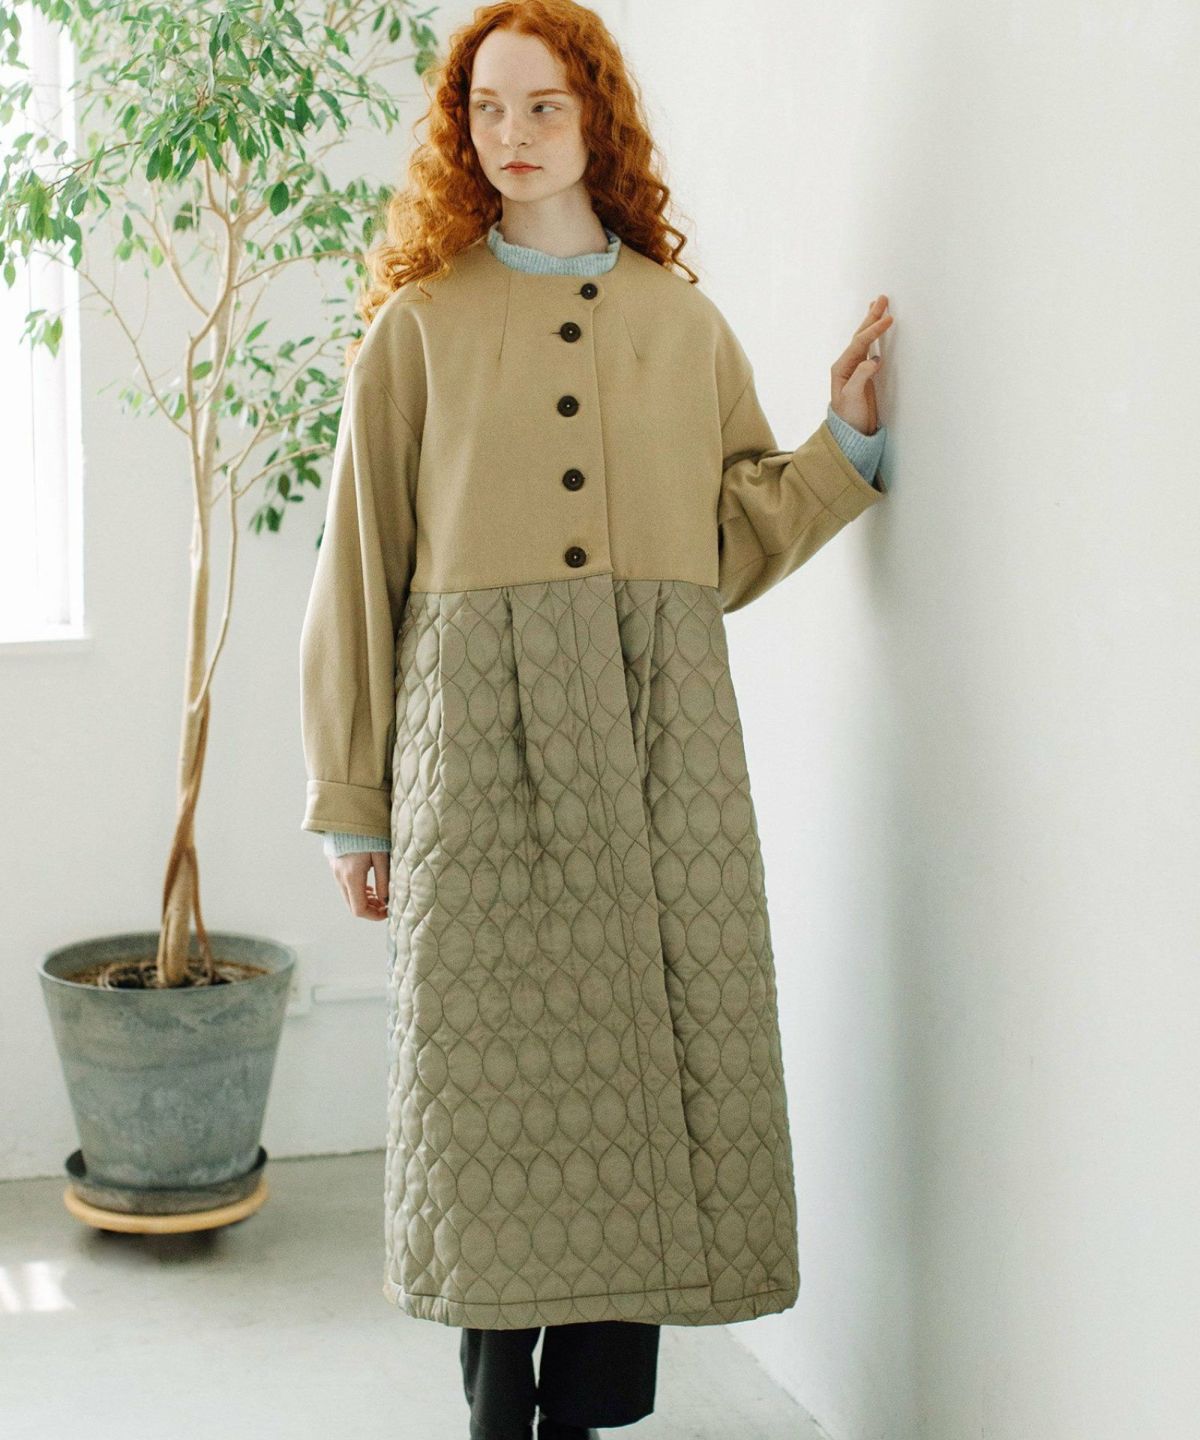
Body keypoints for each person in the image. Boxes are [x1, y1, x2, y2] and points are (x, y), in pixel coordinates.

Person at [298, 3, 894, 1436]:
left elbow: (731, 540)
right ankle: (498, 1414)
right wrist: (354, 807)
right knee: (489, 1107)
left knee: (651, 1075)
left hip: (656, 750)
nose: (511, 136)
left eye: (543, 106)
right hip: (476, 762)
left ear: (596, 120)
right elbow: (358, 574)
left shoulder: (679, 325)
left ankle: (588, 1412)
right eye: (486, 110)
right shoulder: (417, 331)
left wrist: (846, 442)